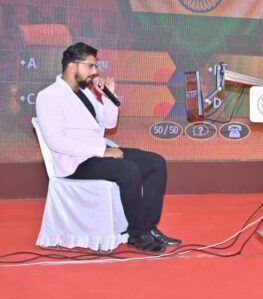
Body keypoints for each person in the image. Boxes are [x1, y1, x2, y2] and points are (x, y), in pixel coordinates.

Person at [35, 42, 181, 253]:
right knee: (127, 170)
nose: (94, 72)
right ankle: (137, 235)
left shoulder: (85, 93)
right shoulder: (49, 96)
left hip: (98, 152)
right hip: (75, 162)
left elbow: (109, 123)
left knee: (155, 162)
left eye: (95, 67)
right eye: (90, 66)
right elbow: (56, 141)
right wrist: (101, 152)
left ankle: (148, 227)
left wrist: (108, 96)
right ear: (72, 66)